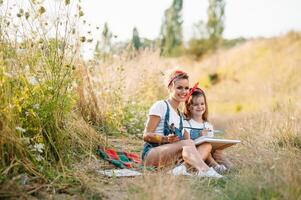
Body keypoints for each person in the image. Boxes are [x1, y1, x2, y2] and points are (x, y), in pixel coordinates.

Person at [141, 70, 222, 178]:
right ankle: (205, 171)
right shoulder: (161, 106)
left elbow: (187, 144)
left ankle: (182, 168)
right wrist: (164, 139)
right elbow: (146, 135)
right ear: (170, 88)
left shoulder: (180, 116)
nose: (184, 91)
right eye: (179, 88)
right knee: (187, 143)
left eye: (186, 88)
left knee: (205, 145)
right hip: (152, 154)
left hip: (169, 157)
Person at [184, 83, 232, 174]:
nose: (200, 107)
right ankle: (215, 166)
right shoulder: (186, 123)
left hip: (207, 153)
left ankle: (222, 167)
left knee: (215, 150)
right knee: (206, 146)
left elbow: (211, 143)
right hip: (194, 153)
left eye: (202, 104)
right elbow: (186, 143)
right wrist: (199, 137)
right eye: (196, 104)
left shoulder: (207, 125)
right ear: (189, 107)